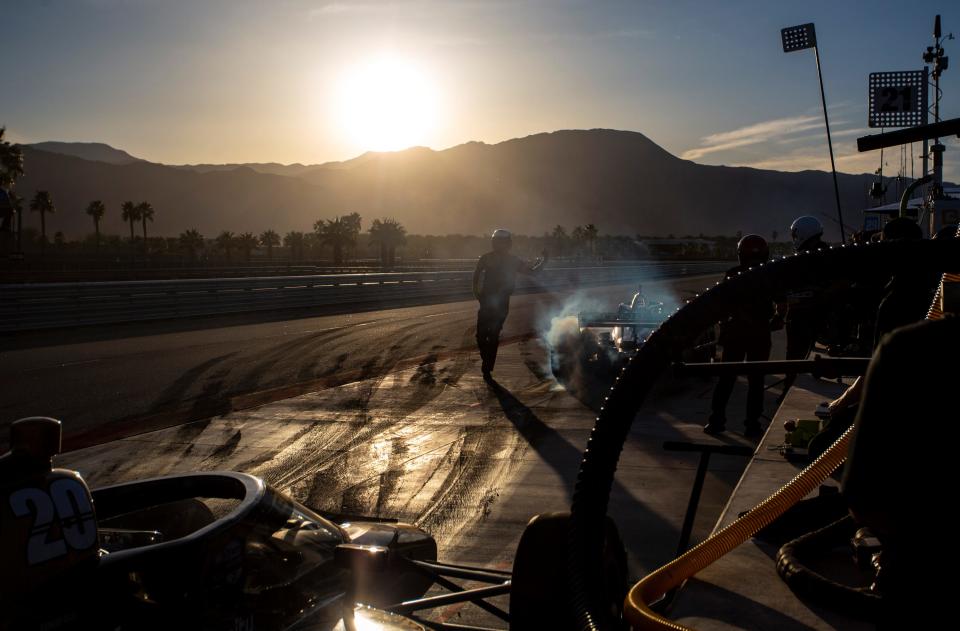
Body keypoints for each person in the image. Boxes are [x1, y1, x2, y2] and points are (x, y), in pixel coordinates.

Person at [704, 234, 774, 437]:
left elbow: (722, 306)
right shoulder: (769, 274)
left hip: (735, 335)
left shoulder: (732, 274)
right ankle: (752, 426)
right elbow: (782, 304)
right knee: (756, 381)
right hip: (760, 335)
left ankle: (716, 421)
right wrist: (776, 319)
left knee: (726, 379)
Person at [473, 229, 547, 380]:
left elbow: (533, 272)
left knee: (493, 335)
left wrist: (544, 261)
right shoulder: (485, 258)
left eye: (502, 242)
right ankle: (487, 361)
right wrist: (479, 296)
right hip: (486, 302)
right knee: (481, 336)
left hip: (501, 303)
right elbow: (476, 277)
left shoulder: (513, 261)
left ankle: (487, 366)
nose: (499, 245)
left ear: (507, 244)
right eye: (497, 241)